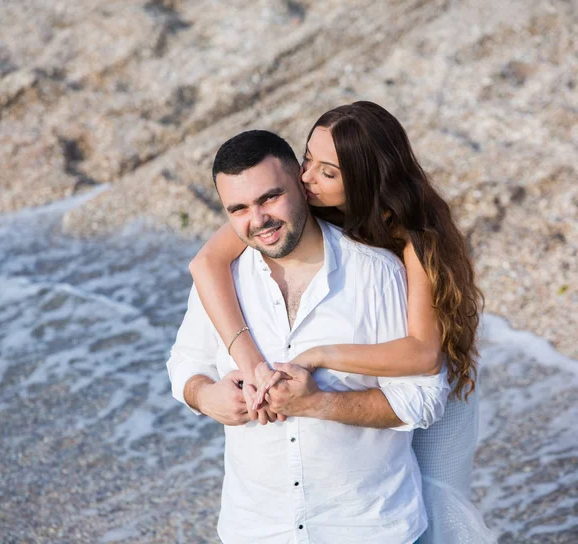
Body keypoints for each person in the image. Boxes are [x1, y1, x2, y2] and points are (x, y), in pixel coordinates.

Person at [189, 102, 496, 543]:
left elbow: (425, 354)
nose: (307, 178)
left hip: (442, 372)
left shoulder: (413, 242)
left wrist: (318, 355)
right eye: (307, 159)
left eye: (326, 172)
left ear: (366, 181)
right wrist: (251, 364)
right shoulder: (283, 214)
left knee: (438, 502)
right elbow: (205, 263)